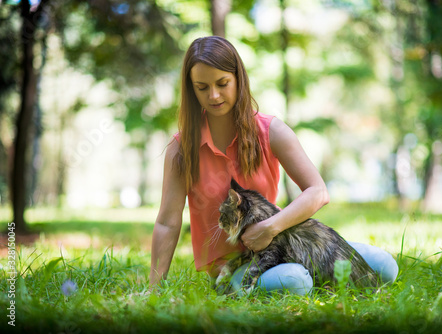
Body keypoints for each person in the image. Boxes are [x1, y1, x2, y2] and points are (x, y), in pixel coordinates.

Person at [149, 36, 398, 295]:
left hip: (288, 245)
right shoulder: (181, 148)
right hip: (234, 266)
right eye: (202, 87)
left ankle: (315, 276)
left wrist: (270, 228)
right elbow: (167, 222)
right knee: (295, 281)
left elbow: (318, 191)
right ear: (191, 89)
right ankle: (306, 281)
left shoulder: (271, 131)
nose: (213, 95)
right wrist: (154, 289)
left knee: (385, 267)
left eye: (223, 83)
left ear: (238, 80)